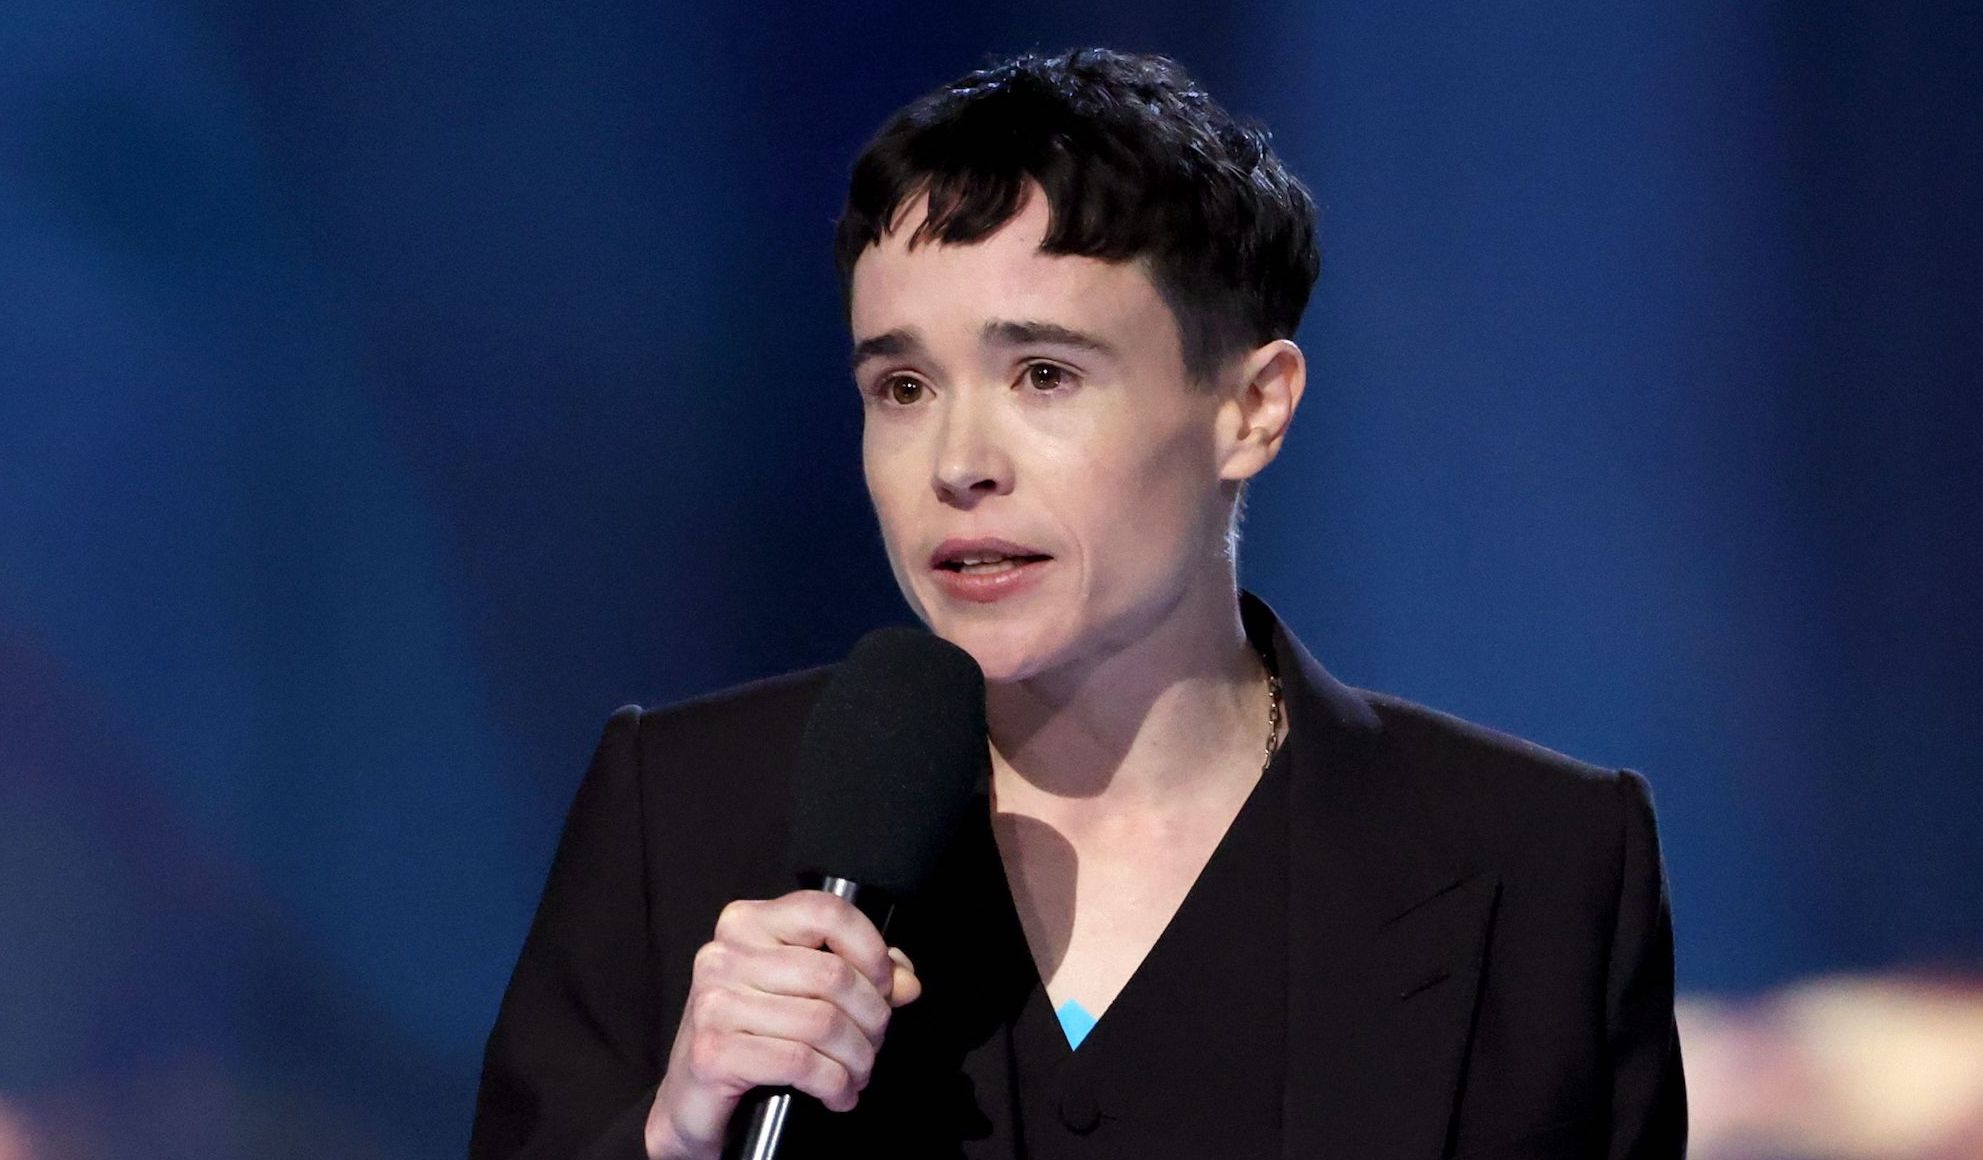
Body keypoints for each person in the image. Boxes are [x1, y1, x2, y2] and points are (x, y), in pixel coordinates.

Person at [468, 48, 1686, 1160]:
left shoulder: (1540, 865)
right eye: (900, 385)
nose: (957, 460)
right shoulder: (678, 813)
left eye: (1043, 374)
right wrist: (672, 1136)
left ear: (1251, 406)